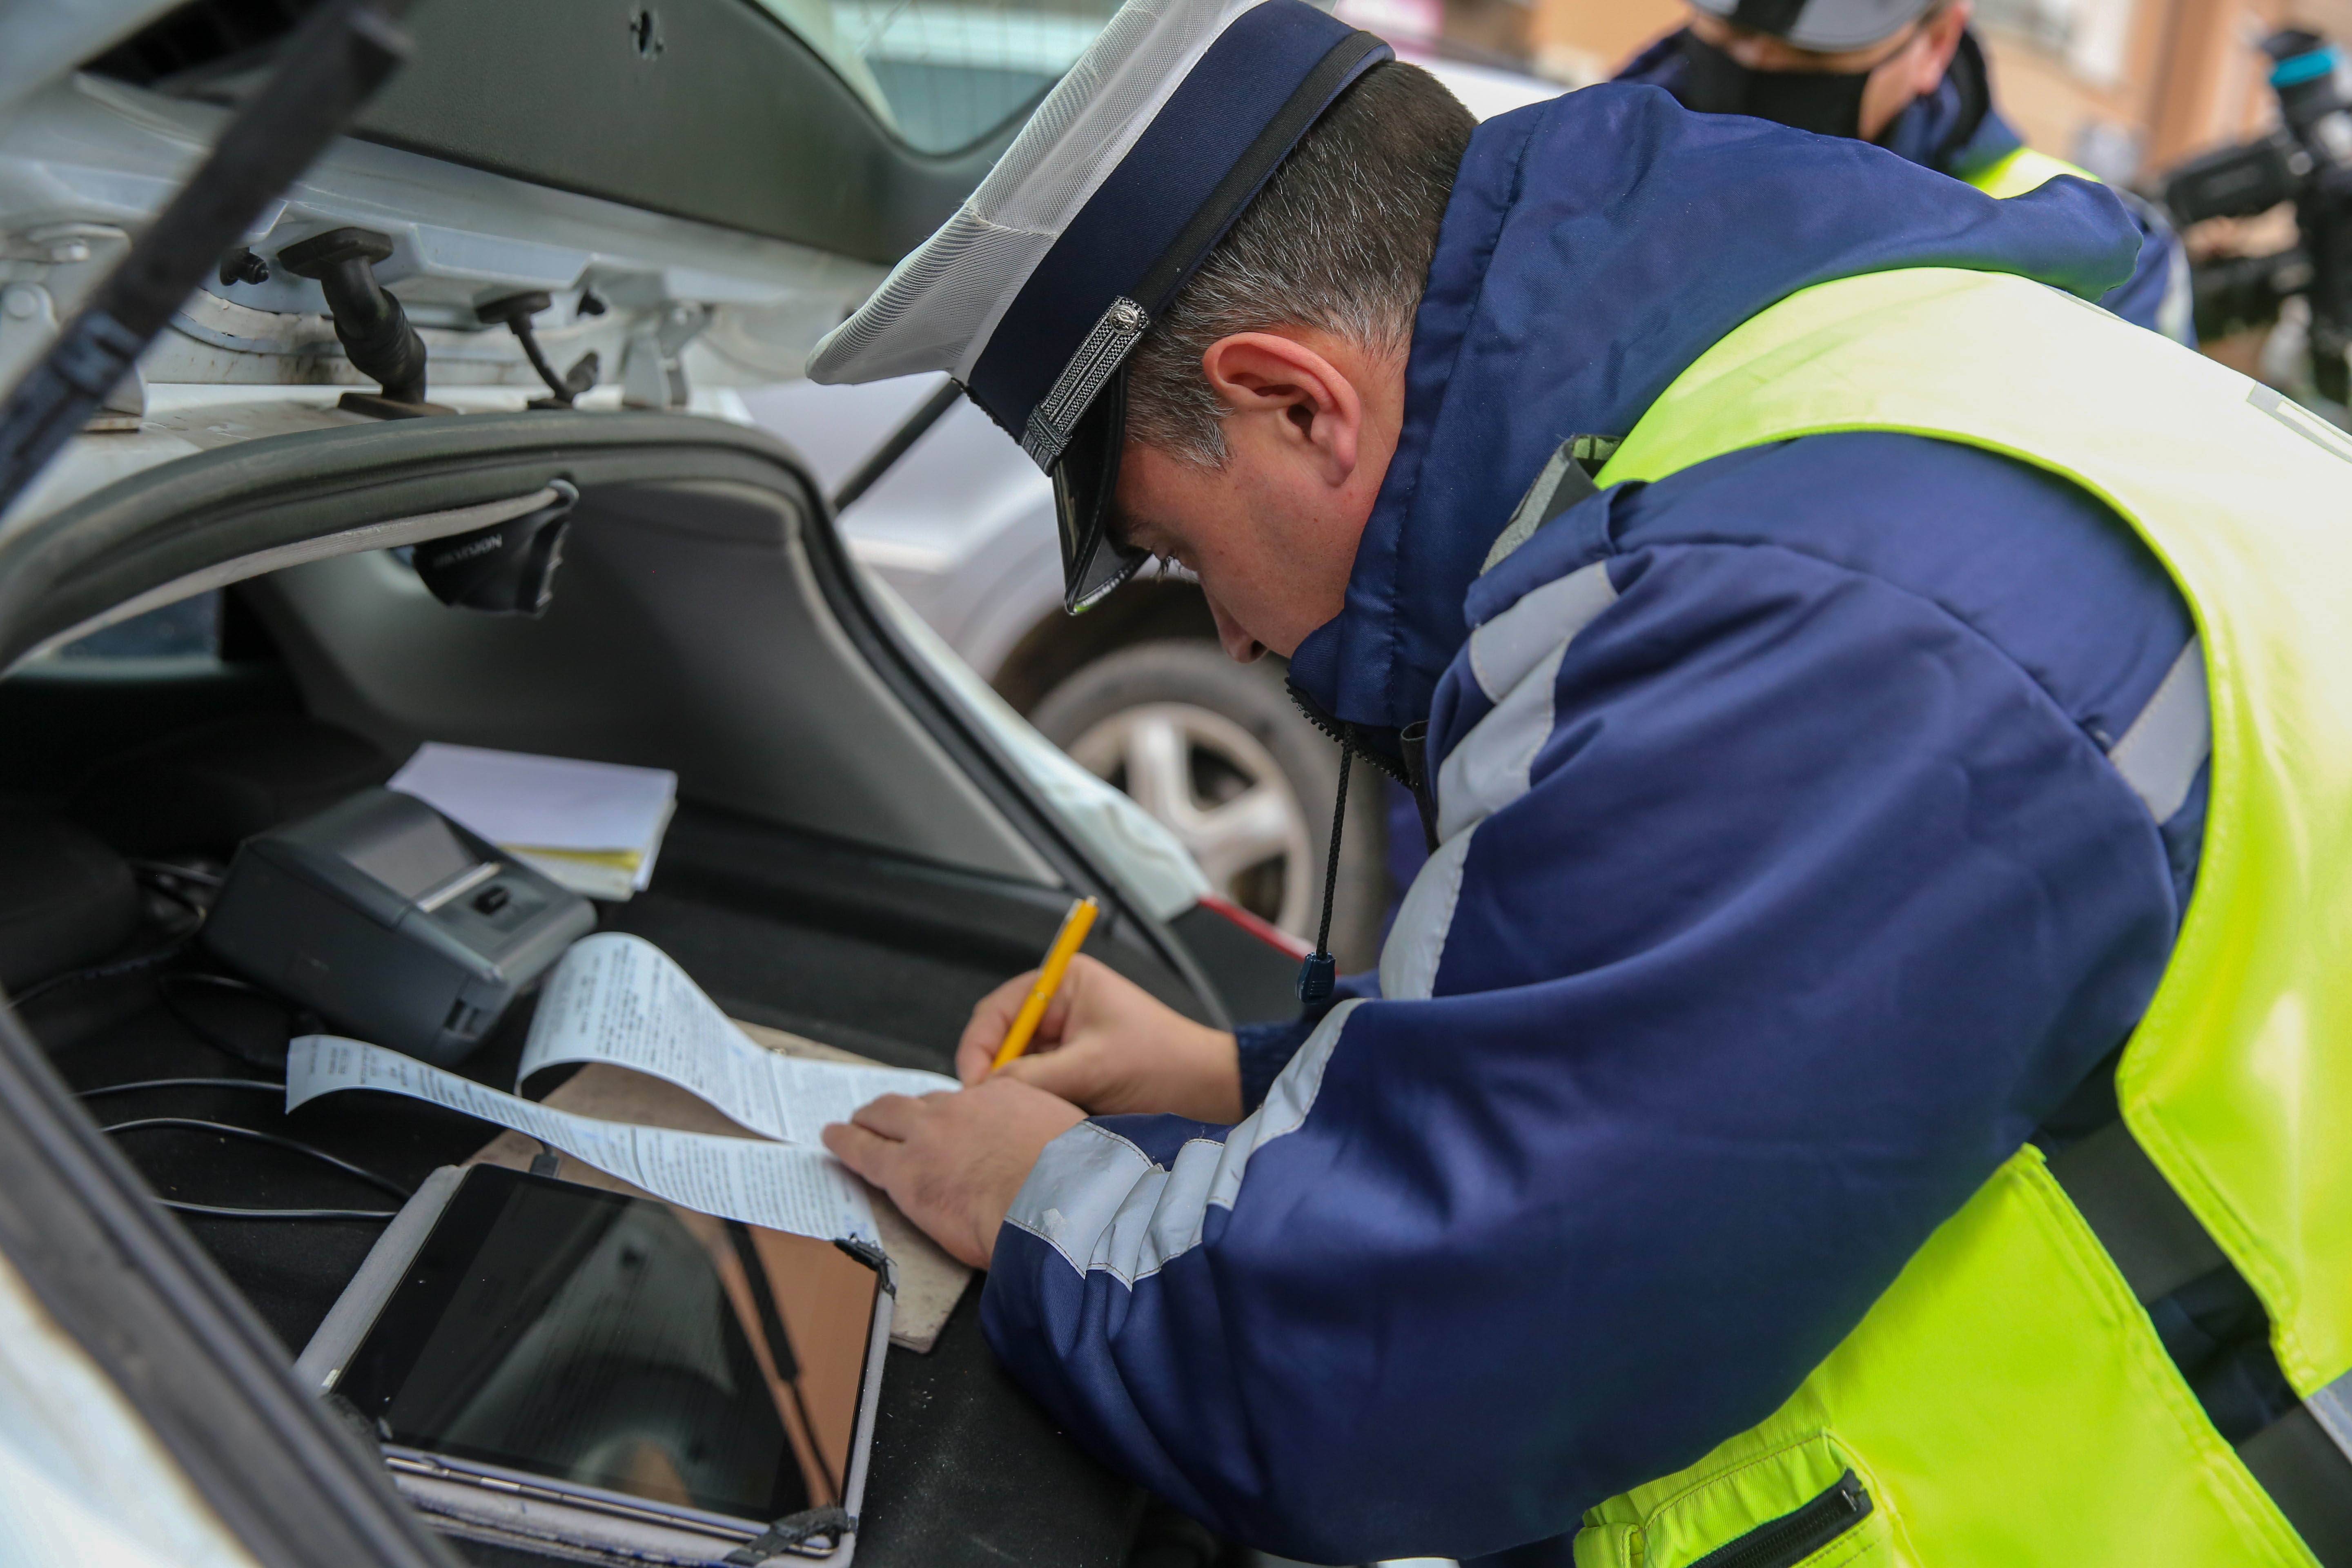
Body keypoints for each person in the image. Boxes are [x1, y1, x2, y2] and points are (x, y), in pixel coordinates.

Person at [809, 0, 2352, 1562]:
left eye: (1182, 551)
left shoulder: (1796, 601)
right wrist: (1240, 1081)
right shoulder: (1838, 406)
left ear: (1296, 401)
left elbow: (1379, 1385)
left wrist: (1034, 1196)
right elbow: (1730, 1060)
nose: (1224, 627)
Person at [1616, 0, 2196, 344]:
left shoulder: (2102, 258)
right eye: (1736, 32)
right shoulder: (1588, 158)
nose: (1759, 62)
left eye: (1817, 53)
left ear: (1936, 42)